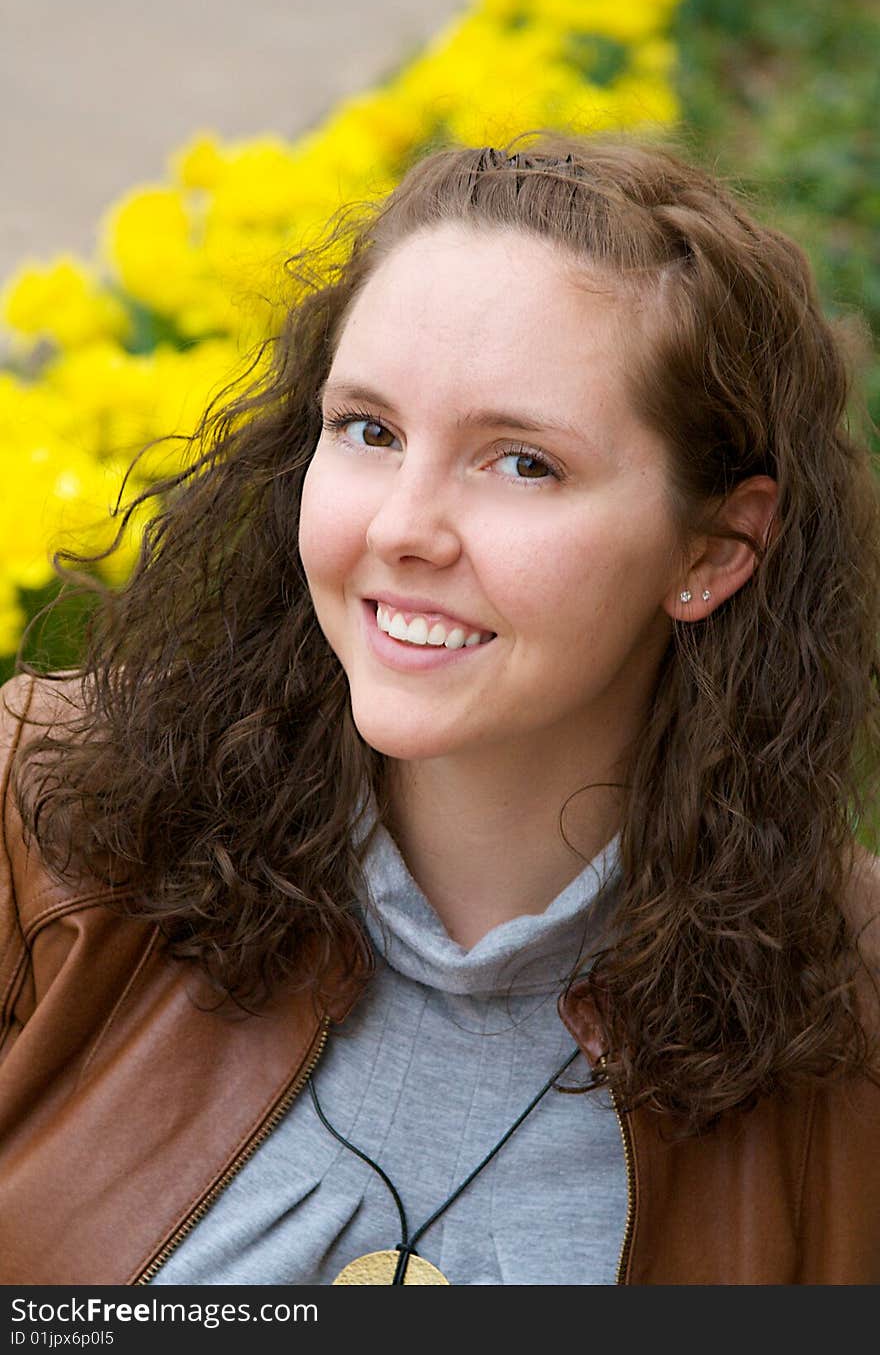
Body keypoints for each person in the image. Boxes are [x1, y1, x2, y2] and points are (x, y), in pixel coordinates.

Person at [1, 133, 879, 1287]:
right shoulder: (50, 823)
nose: (401, 527)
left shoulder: (847, 1011)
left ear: (714, 548)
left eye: (521, 462)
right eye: (369, 431)